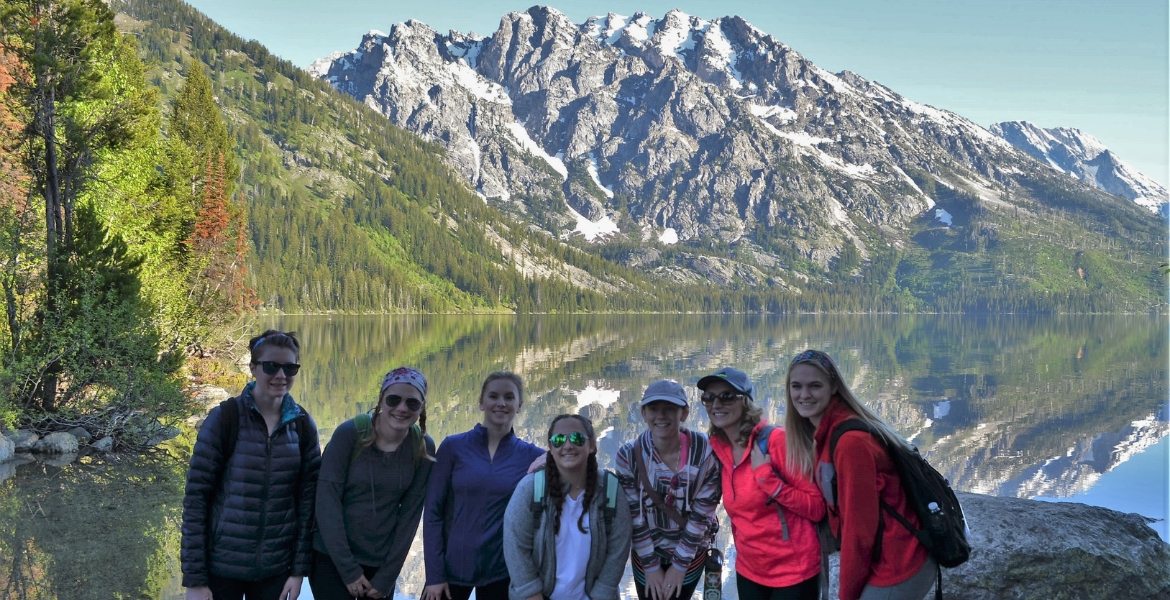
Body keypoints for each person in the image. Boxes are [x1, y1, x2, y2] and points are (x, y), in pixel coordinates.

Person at [783, 350, 934, 600]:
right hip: (886, 555)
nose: (804, 394)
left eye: (815, 386)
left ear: (834, 386)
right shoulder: (829, 431)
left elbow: (859, 530)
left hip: (899, 562)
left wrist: (847, 594)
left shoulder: (850, 444)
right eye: (796, 386)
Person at [181, 330, 321, 600]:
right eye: (271, 366)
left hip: (275, 571)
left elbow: (307, 505)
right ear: (253, 368)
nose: (281, 375)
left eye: (290, 368)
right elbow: (196, 499)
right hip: (220, 568)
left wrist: (298, 571)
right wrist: (195, 579)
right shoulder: (225, 418)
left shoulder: (303, 425)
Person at [310, 367, 437, 599]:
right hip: (332, 559)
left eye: (412, 403)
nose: (402, 408)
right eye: (394, 399)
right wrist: (348, 570)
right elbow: (327, 503)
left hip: (380, 563)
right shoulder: (350, 434)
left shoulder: (422, 446)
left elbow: (410, 517)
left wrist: (387, 577)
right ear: (381, 400)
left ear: (422, 408)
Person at [698, 367, 824, 600]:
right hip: (749, 570)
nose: (716, 404)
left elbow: (817, 507)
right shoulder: (718, 449)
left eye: (727, 396)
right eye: (709, 397)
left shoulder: (776, 441)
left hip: (793, 573)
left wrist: (770, 481)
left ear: (745, 401)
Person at [422, 372, 547, 600]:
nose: (501, 403)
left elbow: (576, 472)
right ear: (481, 402)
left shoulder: (532, 456)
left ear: (519, 405)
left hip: (501, 573)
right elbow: (432, 513)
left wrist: (554, 460)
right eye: (493, 396)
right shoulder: (453, 447)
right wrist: (434, 575)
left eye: (509, 397)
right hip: (449, 571)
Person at [502, 414, 632, 600]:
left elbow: (618, 550)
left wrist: (601, 594)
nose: (568, 445)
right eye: (559, 440)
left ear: (592, 445)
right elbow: (515, 547)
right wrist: (532, 595)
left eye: (577, 438)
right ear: (550, 448)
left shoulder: (610, 490)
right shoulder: (530, 488)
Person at [615, 380, 721, 600]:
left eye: (670, 409)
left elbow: (701, 516)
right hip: (646, 552)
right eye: (654, 408)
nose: (661, 416)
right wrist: (651, 566)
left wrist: (679, 566)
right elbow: (634, 517)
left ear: (684, 413)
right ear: (644, 413)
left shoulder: (706, 454)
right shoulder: (628, 456)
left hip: (691, 551)